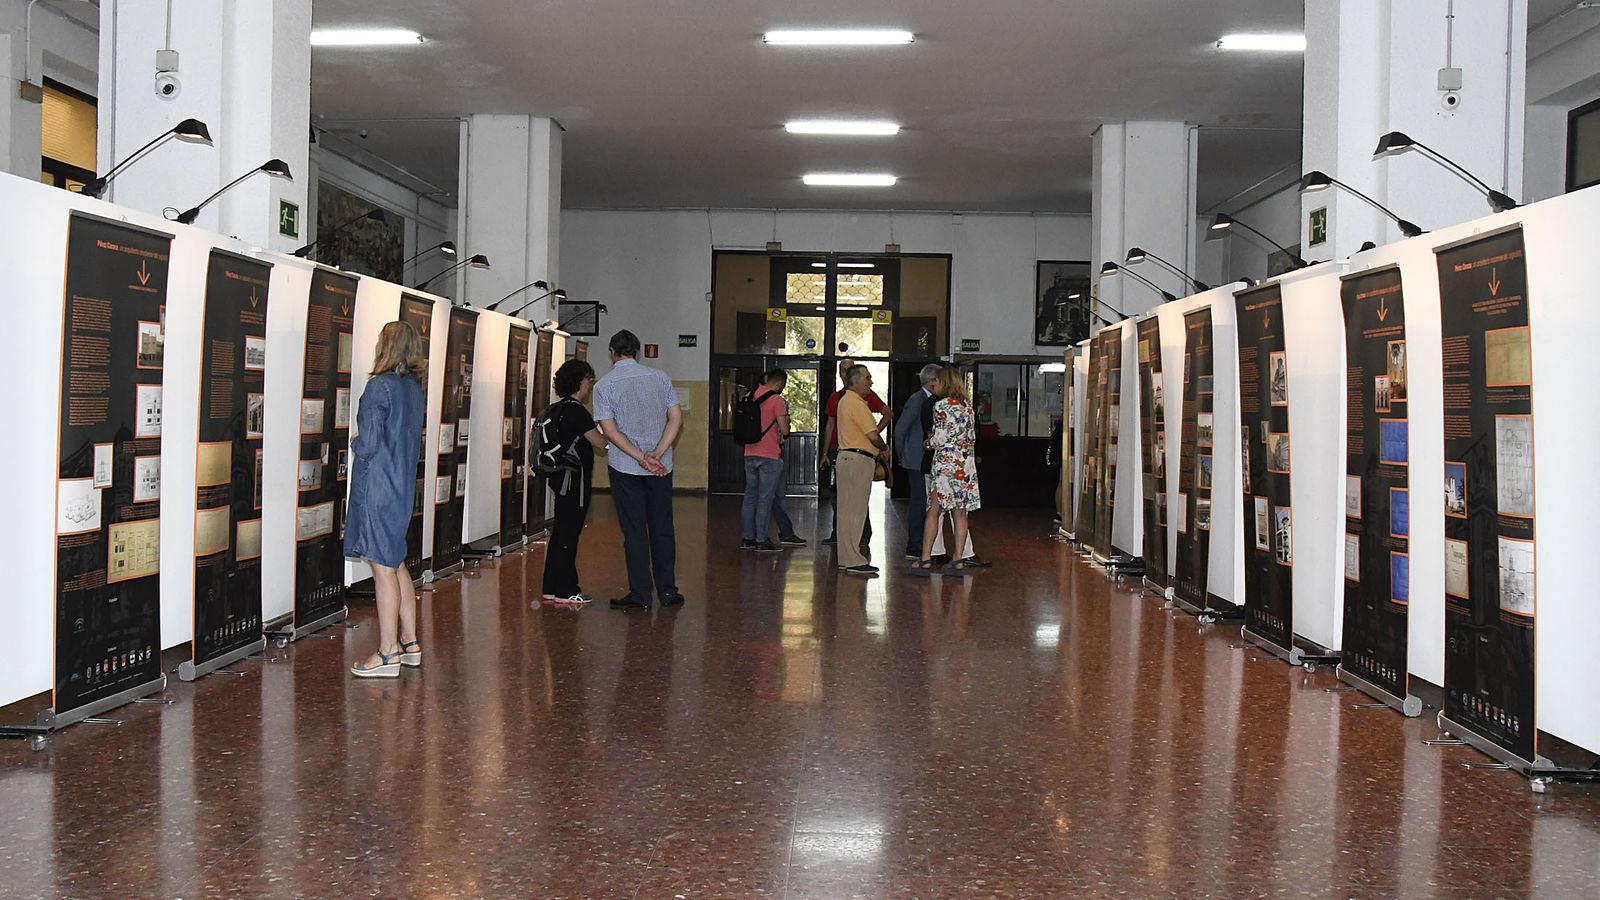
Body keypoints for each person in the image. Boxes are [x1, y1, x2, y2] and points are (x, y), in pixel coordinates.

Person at [347, 321, 428, 677]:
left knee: (382, 568)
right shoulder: (413, 389)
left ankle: (386, 651)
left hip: (377, 487)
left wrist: (353, 441)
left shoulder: (377, 388)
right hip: (402, 486)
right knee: (396, 564)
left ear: (386, 347)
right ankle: (410, 642)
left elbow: (368, 444)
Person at [593, 329, 685, 609]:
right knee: (662, 529)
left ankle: (641, 594)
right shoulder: (660, 377)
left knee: (634, 532)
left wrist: (639, 457)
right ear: (638, 351)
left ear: (612, 352)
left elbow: (609, 431)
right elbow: (676, 419)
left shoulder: (604, 385)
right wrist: (656, 453)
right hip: (661, 468)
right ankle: (668, 592)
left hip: (625, 469)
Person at [539, 359, 608, 605]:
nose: (589, 386)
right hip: (575, 482)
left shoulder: (555, 409)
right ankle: (567, 590)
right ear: (580, 382)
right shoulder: (576, 411)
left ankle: (550, 587)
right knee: (569, 535)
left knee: (560, 532)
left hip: (559, 479)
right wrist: (610, 426)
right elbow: (599, 442)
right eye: (588, 381)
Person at [908, 367, 981, 578]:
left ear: (945, 383)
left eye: (937, 382)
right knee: (960, 512)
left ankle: (925, 559)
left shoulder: (941, 406)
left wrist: (927, 443)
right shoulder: (967, 407)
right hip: (964, 465)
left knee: (934, 510)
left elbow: (939, 439)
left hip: (945, 466)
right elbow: (970, 437)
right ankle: (958, 559)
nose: (934, 385)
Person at [821, 358, 889, 548]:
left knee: (852, 505)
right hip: (851, 454)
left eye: (849, 370)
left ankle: (855, 544)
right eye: (867, 378)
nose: (871, 382)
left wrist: (874, 432)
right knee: (849, 505)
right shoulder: (847, 400)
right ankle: (850, 552)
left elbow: (885, 415)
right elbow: (872, 436)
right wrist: (883, 447)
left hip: (850, 453)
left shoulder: (859, 399)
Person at [740, 369, 805, 551]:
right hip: (769, 455)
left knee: (750, 497)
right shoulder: (776, 400)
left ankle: (747, 538)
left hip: (749, 452)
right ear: (779, 383)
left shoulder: (749, 395)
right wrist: (787, 422)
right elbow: (784, 430)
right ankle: (761, 539)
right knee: (765, 499)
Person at [894, 364, 942, 559]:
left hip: (922, 459)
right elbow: (900, 430)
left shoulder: (929, 400)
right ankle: (914, 545)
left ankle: (923, 543)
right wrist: (902, 456)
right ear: (932, 382)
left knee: (925, 503)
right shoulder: (918, 400)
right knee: (919, 502)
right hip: (916, 460)